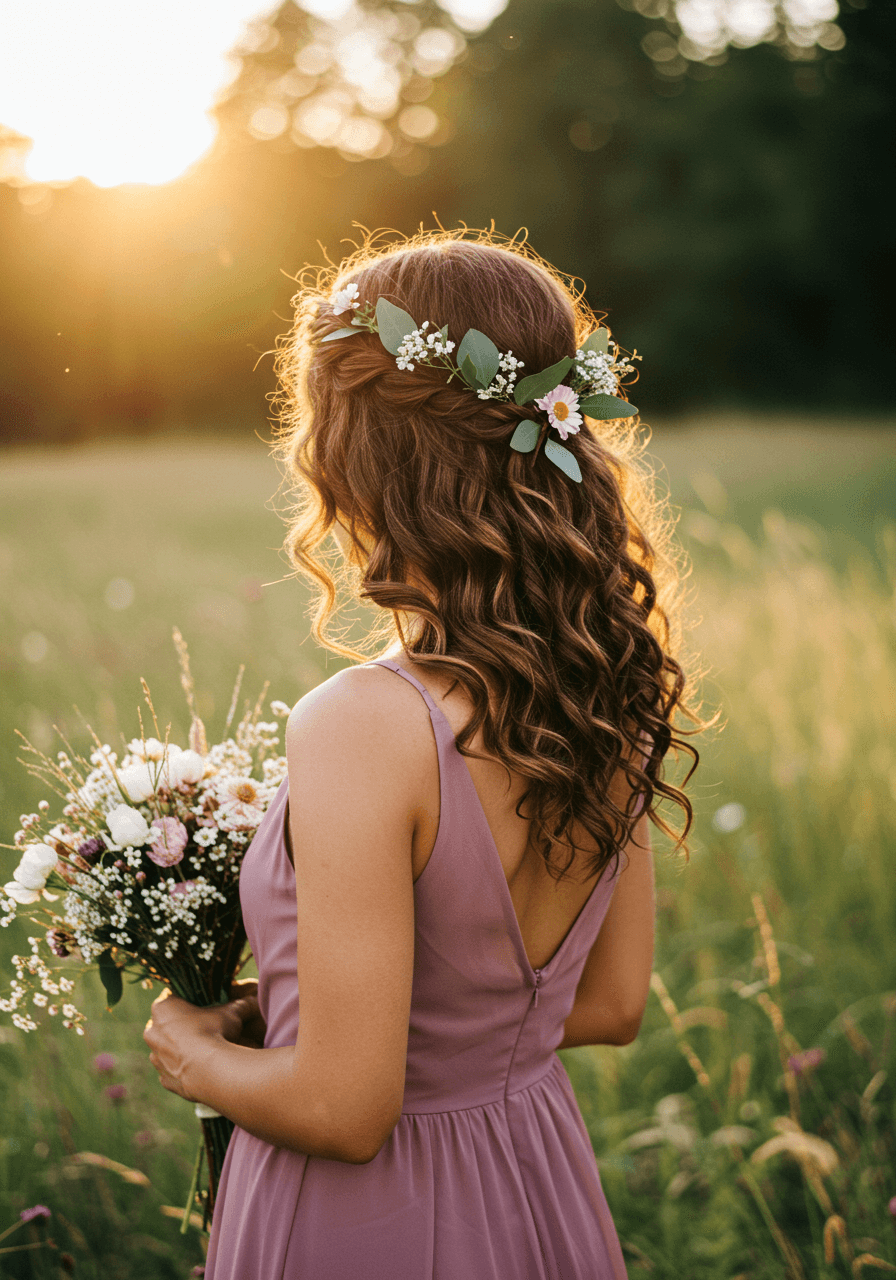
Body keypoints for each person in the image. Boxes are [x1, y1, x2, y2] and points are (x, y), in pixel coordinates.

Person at [143, 228, 706, 1279]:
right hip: (531, 1180)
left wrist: (196, 1055)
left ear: (357, 455)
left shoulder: (364, 722)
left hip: (366, 1220)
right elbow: (606, 1002)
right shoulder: (607, 684)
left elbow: (344, 1108)